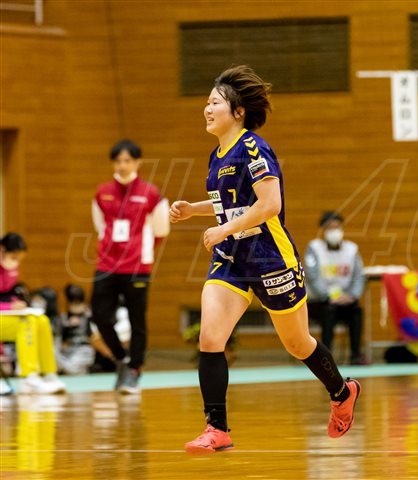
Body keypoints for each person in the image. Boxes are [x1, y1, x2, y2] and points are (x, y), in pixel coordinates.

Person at [170, 65, 360, 454]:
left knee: (298, 343)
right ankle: (216, 428)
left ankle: (342, 392)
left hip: (270, 258)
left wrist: (223, 228)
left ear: (238, 111)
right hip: (231, 260)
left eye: (215, 102)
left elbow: (269, 204)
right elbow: (229, 203)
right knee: (211, 337)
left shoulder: (253, 148)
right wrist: (194, 210)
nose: (207, 109)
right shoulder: (216, 156)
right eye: (206, 102)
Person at [90, 139, 170, 394]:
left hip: (137, 267)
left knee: (137, 320)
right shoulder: (102, 192)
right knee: (100, 316)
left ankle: (135, 370)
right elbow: (100, 226)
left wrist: (140, 251)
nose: (122, 165)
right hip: (106, 264)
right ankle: (122, 358)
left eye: (127, 160)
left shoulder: (151, 193)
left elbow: (161, 230)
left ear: (137, 162)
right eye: (118, 161)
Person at [0, 233, 65, 394]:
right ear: (2, 250)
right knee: (26, 323)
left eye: (19, 258)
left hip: (4, 315)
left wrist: (17, 303)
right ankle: (28, 376)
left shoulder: (12, 269)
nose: (16, 261)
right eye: (13, 257)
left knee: (41, 320)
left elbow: (8, 293)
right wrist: (9, 307)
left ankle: (49, 374)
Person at [305, 211, 367, 364]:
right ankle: (327, 357)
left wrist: (352, 295)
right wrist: (328, 296)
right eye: (330, 228)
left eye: (337, 227)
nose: (334, 231)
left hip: (344, 300)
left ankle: (356, 355)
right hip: (319, 301)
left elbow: (359, 276)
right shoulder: (314, 248)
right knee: (329, 310)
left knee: (356, 310)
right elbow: (312, 277)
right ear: (323, 230)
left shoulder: (351, 249)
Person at [55, 284, 95, 375]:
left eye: (78, 303)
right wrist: (68, 326)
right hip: (67, 351)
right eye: (73, 303)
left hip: (83, 350)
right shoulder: (63, 317)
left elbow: (92, 336)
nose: (76, 306)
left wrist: (87, 317)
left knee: (72, 368)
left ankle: (73, 369)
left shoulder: (88, 316)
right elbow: (60, 339)